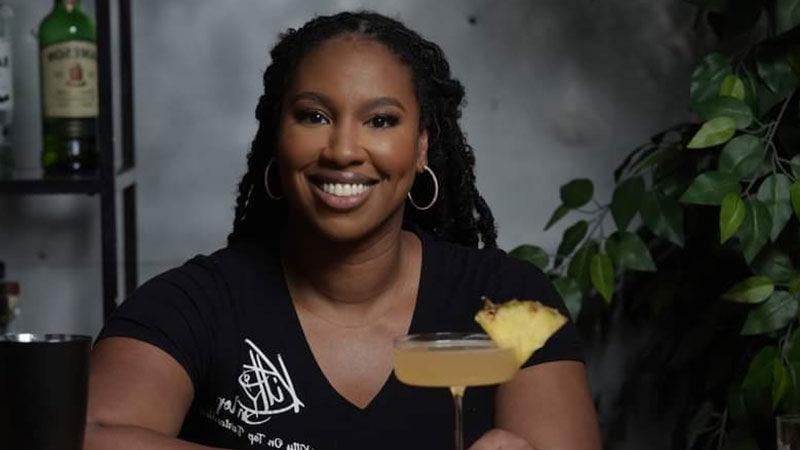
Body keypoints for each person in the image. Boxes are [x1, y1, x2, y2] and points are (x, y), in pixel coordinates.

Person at [84, 10, 601, 450]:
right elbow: (88, 433)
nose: (343, 150)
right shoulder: (198, 302)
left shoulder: (509, 301)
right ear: (277, 139)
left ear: (421, 147)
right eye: (313, 116)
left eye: (380, 121)